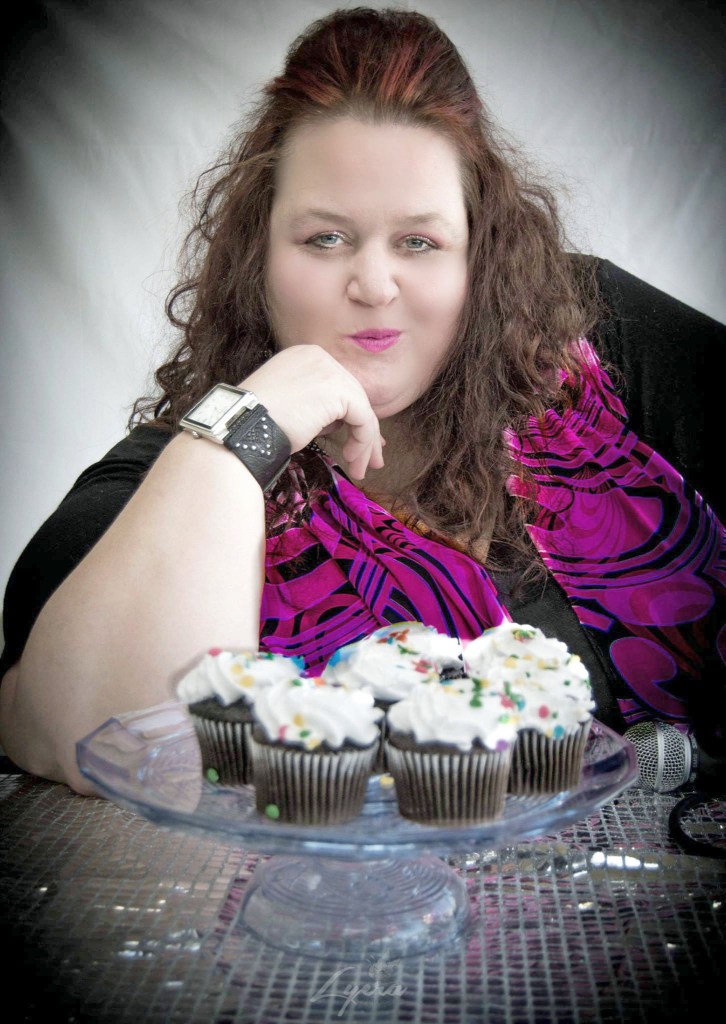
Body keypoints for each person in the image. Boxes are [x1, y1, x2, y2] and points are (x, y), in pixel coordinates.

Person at [0, 7, 724, 795]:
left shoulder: (596, 347)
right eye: (325, 238)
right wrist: (247, 428)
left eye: (419, 241)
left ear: (481, 259)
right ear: (256, 259)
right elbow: (79, 733)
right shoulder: (188, 473)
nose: (374, 285)